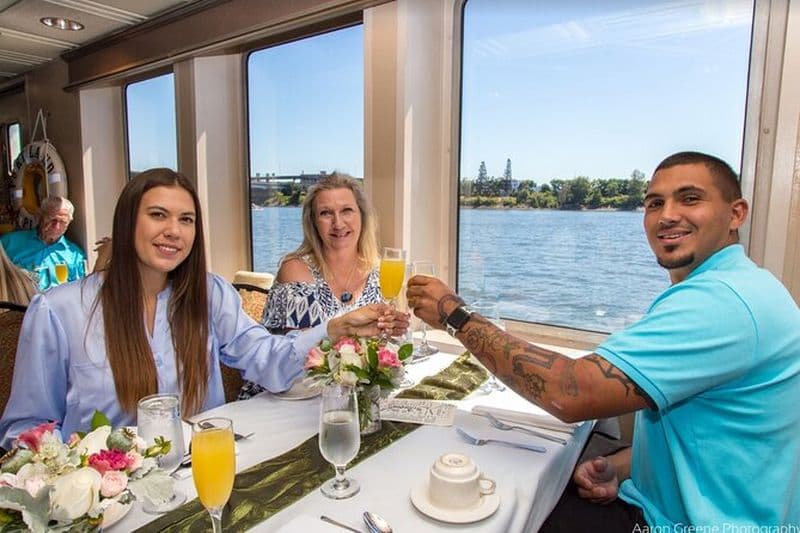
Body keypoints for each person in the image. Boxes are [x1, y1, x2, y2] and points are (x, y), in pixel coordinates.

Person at [406, 151, 800, 528]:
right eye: (655, 203)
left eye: (690, 199)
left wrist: (455, 315)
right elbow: (712, 435)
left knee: (498, 509)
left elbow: (570, 392)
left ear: (736, 214)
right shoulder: (738, 284)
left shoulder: (721, 302)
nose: (667, 215)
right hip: (667, 503)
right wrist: (624, 467)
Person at [0, 168, 407, 449]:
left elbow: (268, 360)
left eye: (186, 219)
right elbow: (25, 430)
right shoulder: (57, 312)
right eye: (158, 215)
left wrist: (334, 329)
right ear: (127, 222)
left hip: (203, 473)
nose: (173, 231)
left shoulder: (211, 294)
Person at [239, 172, 385, 399]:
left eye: (347, 210)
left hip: (349, 397)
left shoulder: (379, 274)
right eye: (326, 213)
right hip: (284, 397)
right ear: (313, 223)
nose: (338, 223)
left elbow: (384, 348)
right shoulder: (295, 271)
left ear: (362, 216)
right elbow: (291, 358)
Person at [0, 196, 87, 290]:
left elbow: (80, 291)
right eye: (52, 219)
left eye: (62, 222)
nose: (57, 227)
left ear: (69, 223)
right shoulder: (9, 242)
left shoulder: (75, 255)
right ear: (39, 216)